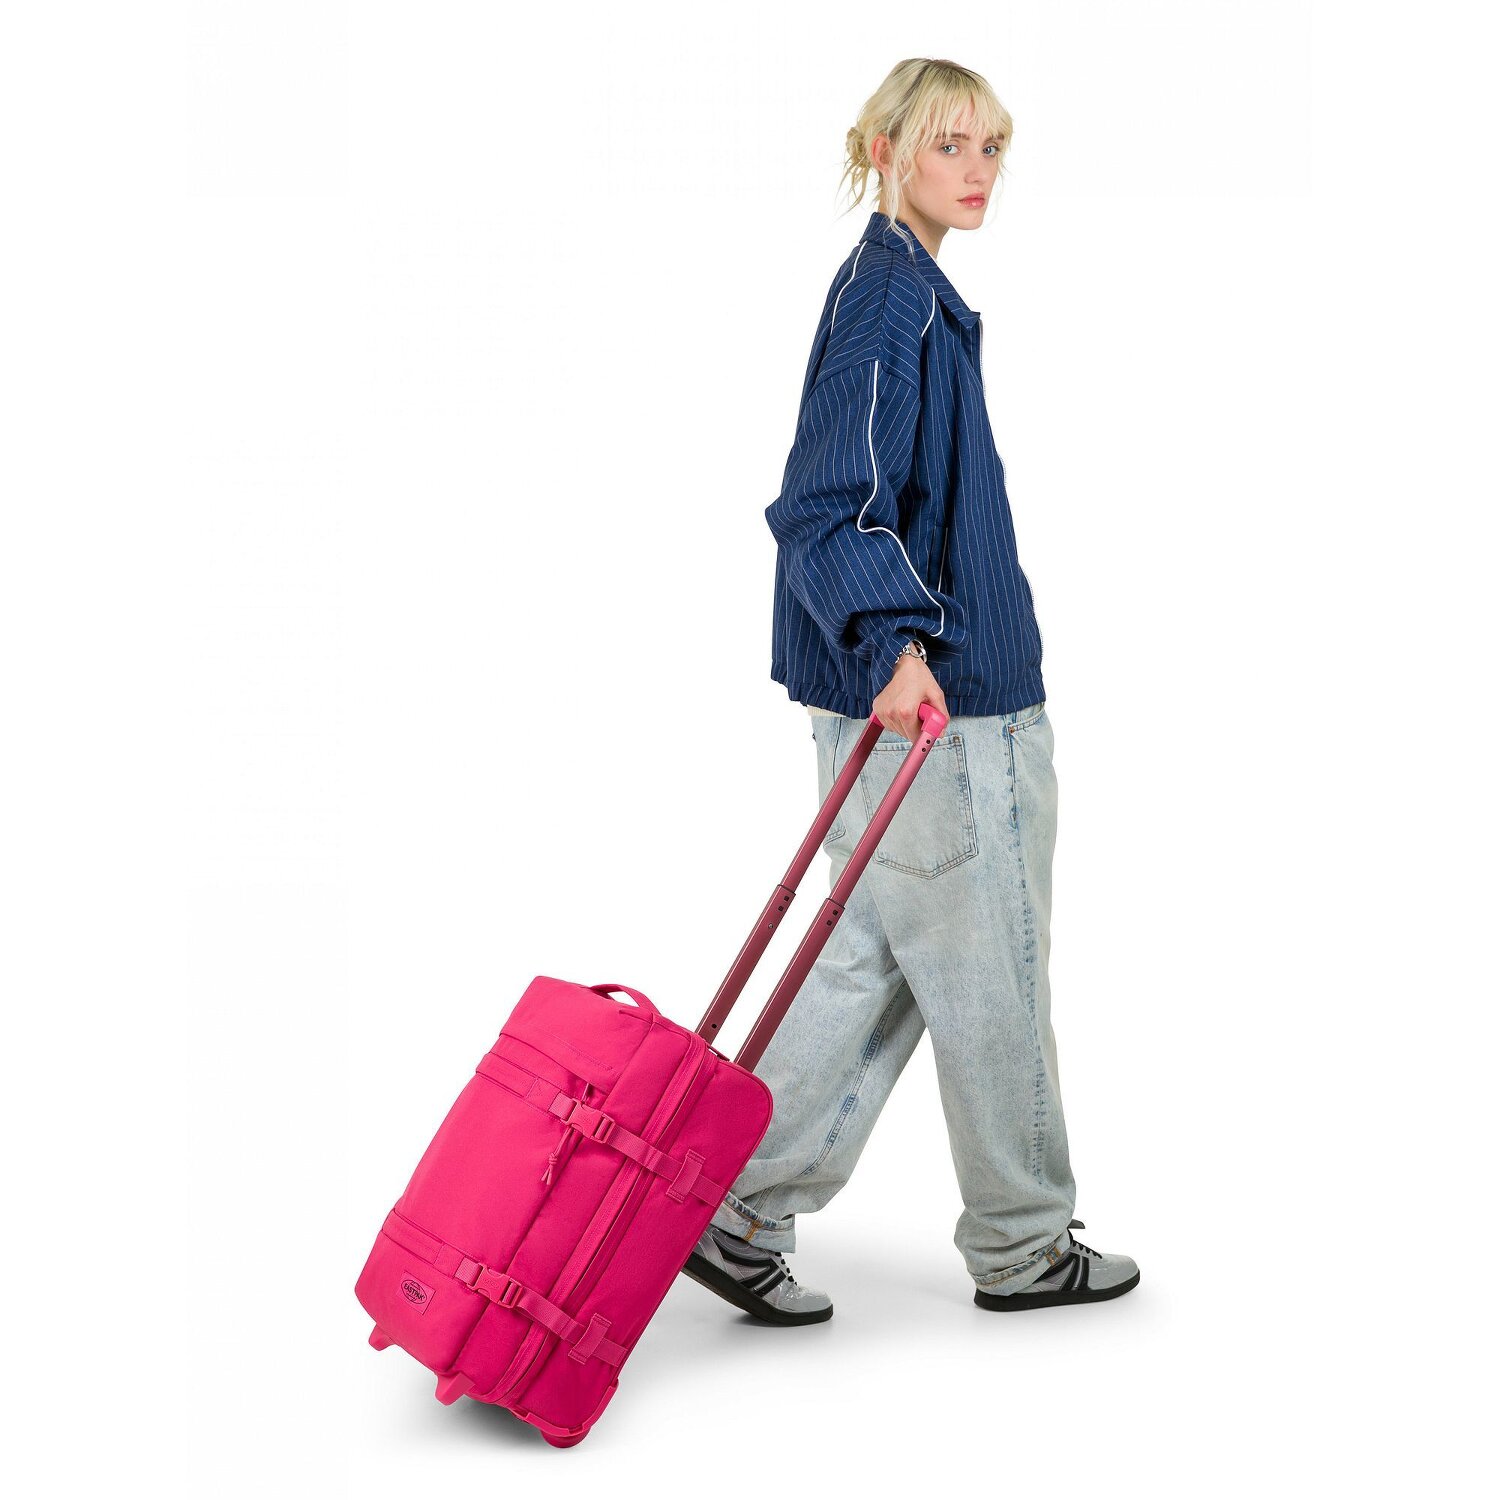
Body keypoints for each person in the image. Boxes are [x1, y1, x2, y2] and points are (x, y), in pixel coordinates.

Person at [681, 58, 1140, 1321]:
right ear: (881, 150)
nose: (979, 171)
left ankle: (733, 1210)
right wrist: (895, 647)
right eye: (949, 145)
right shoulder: (893, 300)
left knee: (871, 964)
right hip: (943, 705)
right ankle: (1026, 1244)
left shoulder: (899, 291)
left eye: (993, 147)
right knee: (995, 970)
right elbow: (828, 502)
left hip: (897, 700)